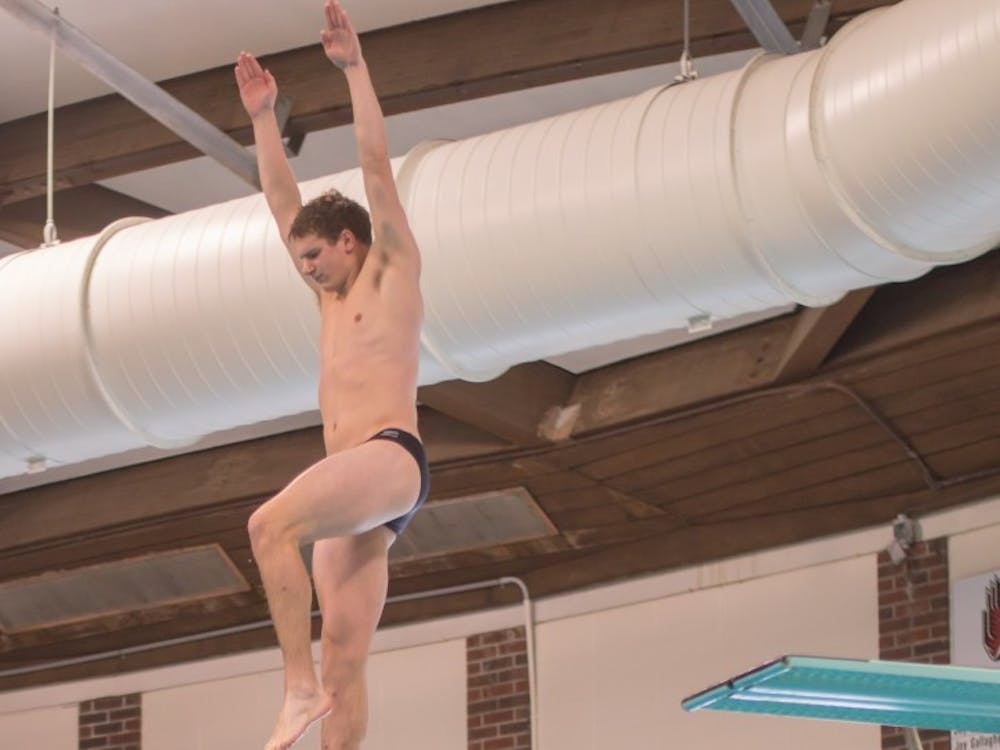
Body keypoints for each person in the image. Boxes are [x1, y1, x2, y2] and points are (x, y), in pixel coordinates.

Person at [234, 2, 428, 748]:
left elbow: (377, 168)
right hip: (355, 482)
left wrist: (354, 69)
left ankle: (293, 687)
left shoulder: (389, 270)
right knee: (346, 663)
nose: (306, 269)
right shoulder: (326, 296)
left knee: (266, 525)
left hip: (390, 455)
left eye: (315, 256)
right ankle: (317, 692)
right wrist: (262, 119)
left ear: (350, 241)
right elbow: (283, 203)